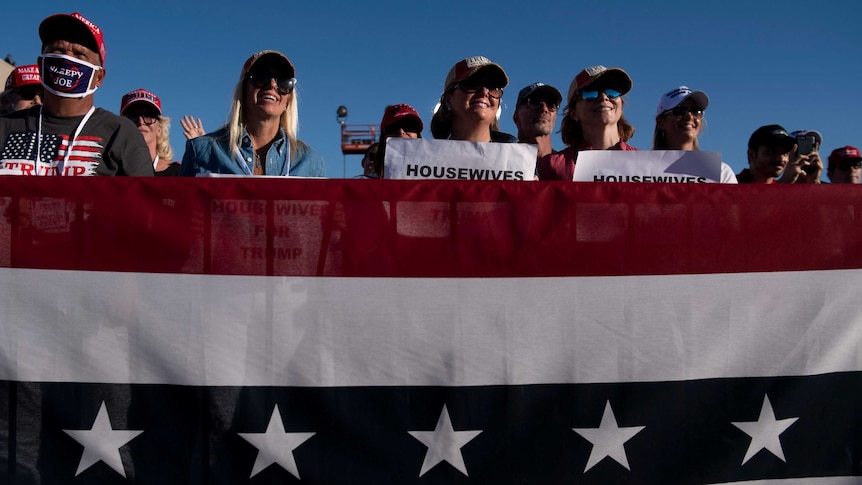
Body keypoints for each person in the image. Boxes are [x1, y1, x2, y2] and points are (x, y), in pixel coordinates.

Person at [0, 12, 152, 176]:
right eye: (58, 50)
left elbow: (143, 200)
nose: (67, 57)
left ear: (99, 77)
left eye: (80, 54)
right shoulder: (5, 126)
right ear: (41, 64)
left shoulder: (121, 133)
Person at [181, 50, 325, 177]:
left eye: (283, 82)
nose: (272, 85)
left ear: (288, 101)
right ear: (243, 91)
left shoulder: (311, 163)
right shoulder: (201, 150)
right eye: (261, 77)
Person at [536, 65, 637, 181]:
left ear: (621, 105)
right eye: (590, 92)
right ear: (574, 112)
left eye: (612, 91)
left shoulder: (648, 164)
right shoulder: (553, 166)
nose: (603, 97)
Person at [653, 86, 737, 183]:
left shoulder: (721, 172)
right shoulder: (641, 170)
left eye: (696, 111)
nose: (689, 116)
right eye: (680, 111)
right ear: (660, 122)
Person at [429, 56, 517, 143]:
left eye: (493, 87)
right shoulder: (427, 155)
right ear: (448, 100)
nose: (484, 92)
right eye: (473, 84)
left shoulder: (517, 155)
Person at [120, 88, 180, 176]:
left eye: (149, 115)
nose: (141, 122)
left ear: (159, 129)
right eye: (133, 116)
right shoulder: (110, 171)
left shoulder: (179, 173)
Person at [736, 125, 819, 184]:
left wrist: (813, 183)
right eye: (771, 152)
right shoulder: (730, 183)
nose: (780, 159)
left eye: (785, 153)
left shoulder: (789, 190)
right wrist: (784, 184)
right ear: (751, 154)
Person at [512, 82, 561, 158]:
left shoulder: (568, 167)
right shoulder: (501, 163)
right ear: (516, 117)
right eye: (534, 102)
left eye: (551, 104)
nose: (544, 109)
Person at [375, 103, 424, 178]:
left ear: (418, 135)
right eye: (394, 127)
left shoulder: (437, 179)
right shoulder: (363, 184)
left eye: (409, 126)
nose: (401, 132)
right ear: (383, 137)